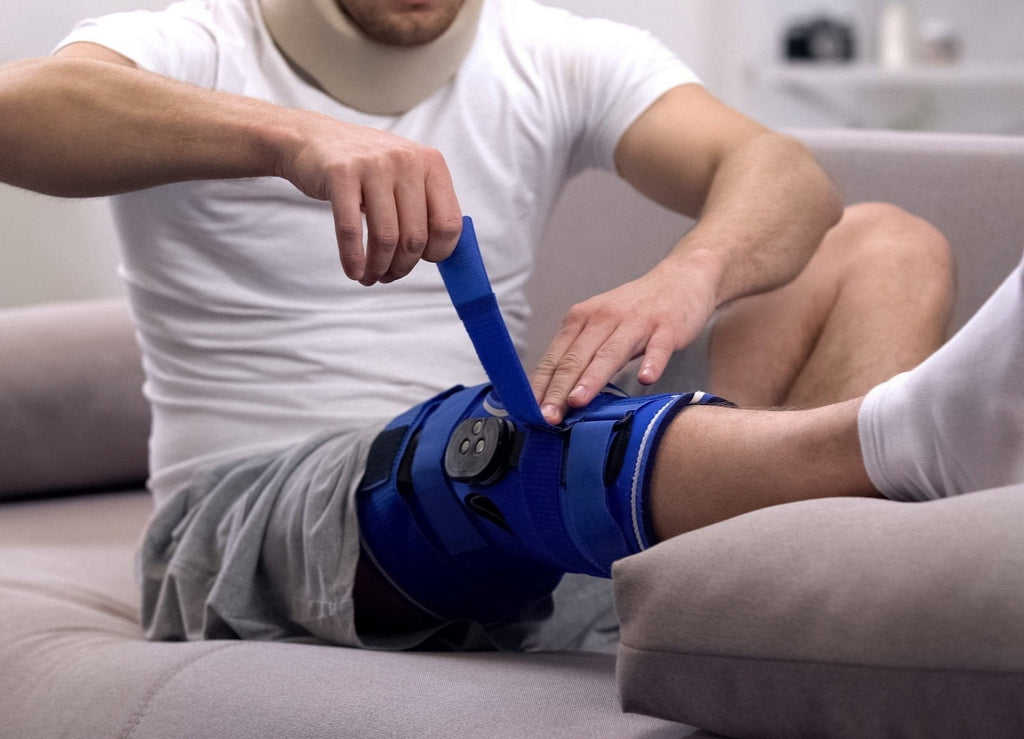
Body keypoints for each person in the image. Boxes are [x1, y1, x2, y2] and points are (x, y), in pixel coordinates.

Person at [0, 0, 952, 649]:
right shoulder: (193, 42)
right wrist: (293, 134)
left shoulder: (556, 51)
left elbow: (782, 170)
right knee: (481, 451)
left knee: (884, 243)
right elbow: (18, 109)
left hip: (503, 498)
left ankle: (778, 593)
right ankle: (895, 451)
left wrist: (688, 275)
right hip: (248, 521)